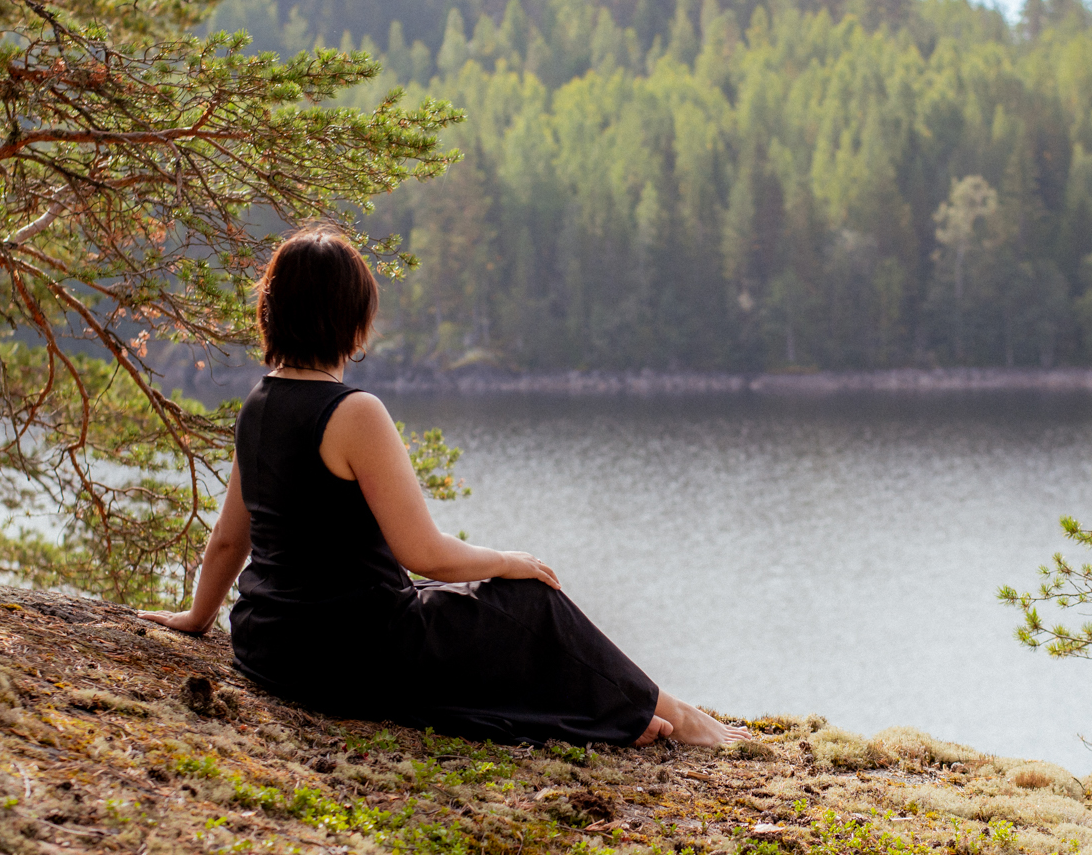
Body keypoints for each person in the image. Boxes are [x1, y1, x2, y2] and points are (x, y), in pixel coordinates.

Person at [138, 226, 737, 749]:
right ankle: (673, 713)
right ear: (352, 320)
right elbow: (421, 553)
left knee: (470, 621)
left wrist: (197, 616)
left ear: (272, 311)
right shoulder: (354, 412)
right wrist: (508, 561)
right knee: (528, 603)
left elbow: (227, 540)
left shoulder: (258, 404)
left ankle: (624, 712)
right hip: (351, 654)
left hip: (269, 649)